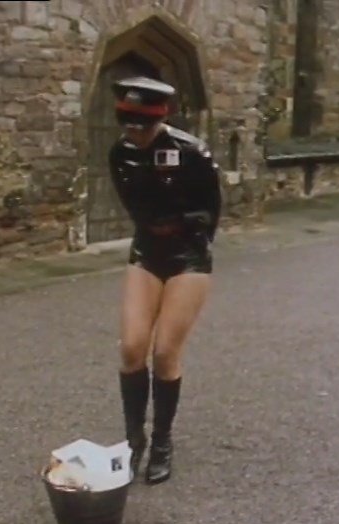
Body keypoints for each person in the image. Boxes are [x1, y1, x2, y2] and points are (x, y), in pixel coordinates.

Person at [108, 76, 222, 485]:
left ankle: (162, 440)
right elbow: (133, 206)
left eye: (144, 127)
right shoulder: (120, 153)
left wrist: (186, 231)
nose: (135, 134)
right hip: (146, 251)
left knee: (164, 352)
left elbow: (211, 211)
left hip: (187, 254)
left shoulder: (191, 152)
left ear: (159, 120)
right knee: (132, 347)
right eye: (129, 125)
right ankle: (133, 438)